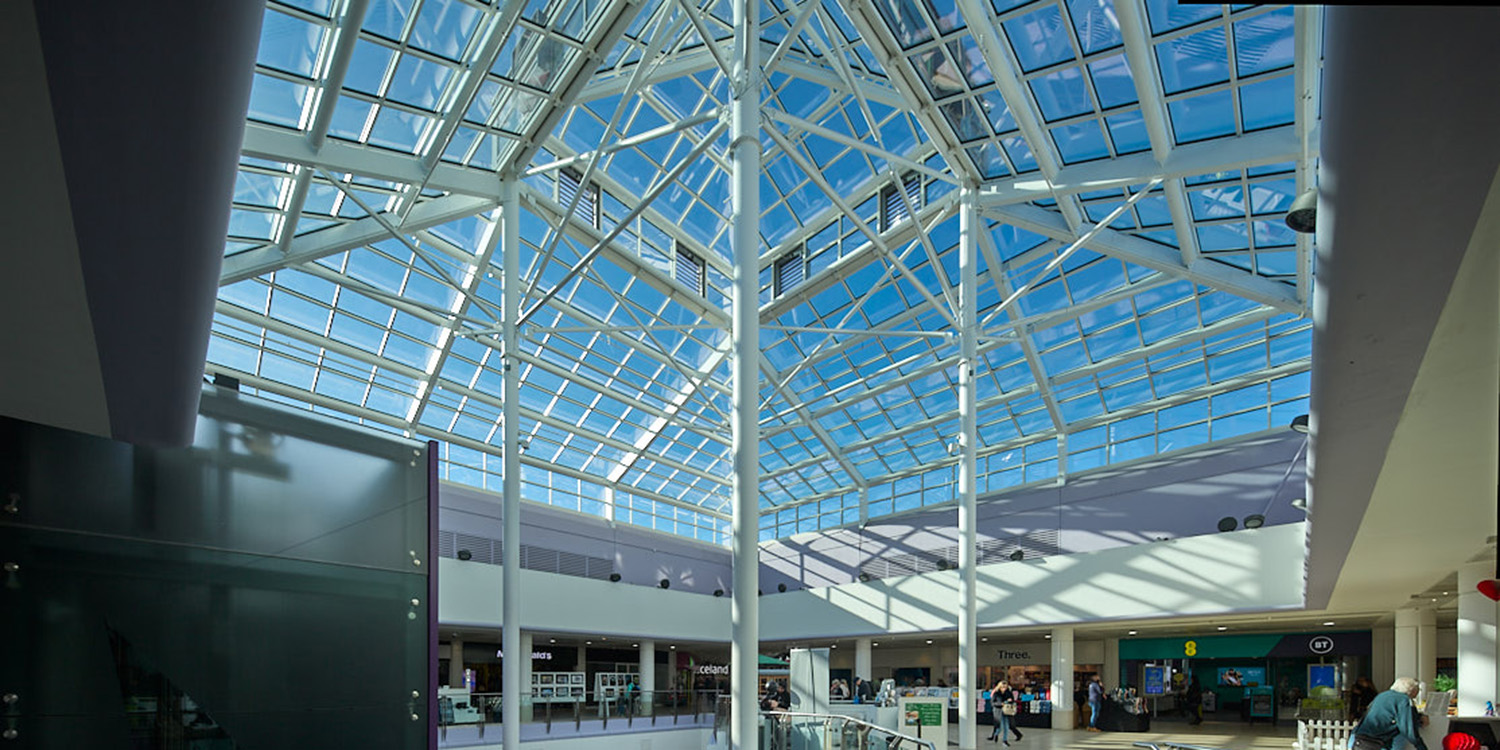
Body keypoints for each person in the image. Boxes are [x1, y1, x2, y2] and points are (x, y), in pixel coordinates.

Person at [1351, 677, 1428, 750]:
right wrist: (1420, 746)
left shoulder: (1383, 695)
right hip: (1375, 741)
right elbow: (1407, 727)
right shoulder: (1403, 699)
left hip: (1360, 738)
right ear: (1412, 690)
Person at [988, 679, 1023, 744]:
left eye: (1005, 687)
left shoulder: (1009, 693)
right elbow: (993, 703)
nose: (1004, 689)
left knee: (1006, 726)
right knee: (1000, 727)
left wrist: (1010, 701)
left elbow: (1012, 701)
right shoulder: (996, 693)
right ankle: (995, 734)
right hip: (998, 711)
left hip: (1007, 711)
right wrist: (1000, 704)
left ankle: (1005, 740)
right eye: (1002, 687)